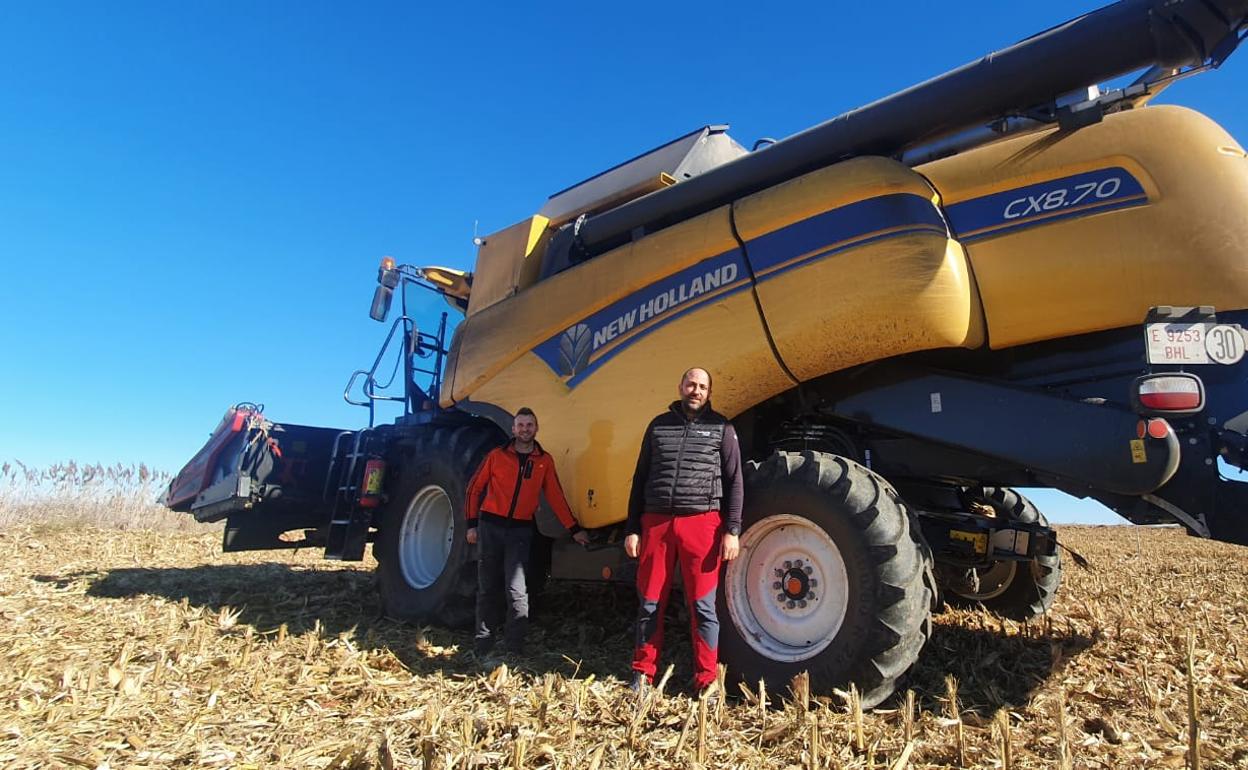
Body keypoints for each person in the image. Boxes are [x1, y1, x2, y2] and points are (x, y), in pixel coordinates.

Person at [624, 367, 743, 695]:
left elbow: (735, 483)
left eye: (703, 386)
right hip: (656, 523)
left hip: (703, 525)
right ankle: (642, 674)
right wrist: (632, 528)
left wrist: (732, 530)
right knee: (649, 603)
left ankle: (706, 681)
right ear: (680, 386)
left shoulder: (722, 428)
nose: (696, 390)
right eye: (691, 384)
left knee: (703, 607)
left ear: (709, 393)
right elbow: (640, 478)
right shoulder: (658, 427)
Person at [466, 407, 590, 656]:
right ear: (513, 429)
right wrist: (471, 524)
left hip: (520, 531)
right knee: (488, 587)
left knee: (517, 591)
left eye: (529, 425)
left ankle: (514, 648)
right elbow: (474, 488)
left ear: (536, 428)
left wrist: (574, 528)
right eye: (520, 425)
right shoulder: (496, 456)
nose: (525, 429)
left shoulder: (544, 461)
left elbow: (555, 496)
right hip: (491, 526)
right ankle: (483, 644)